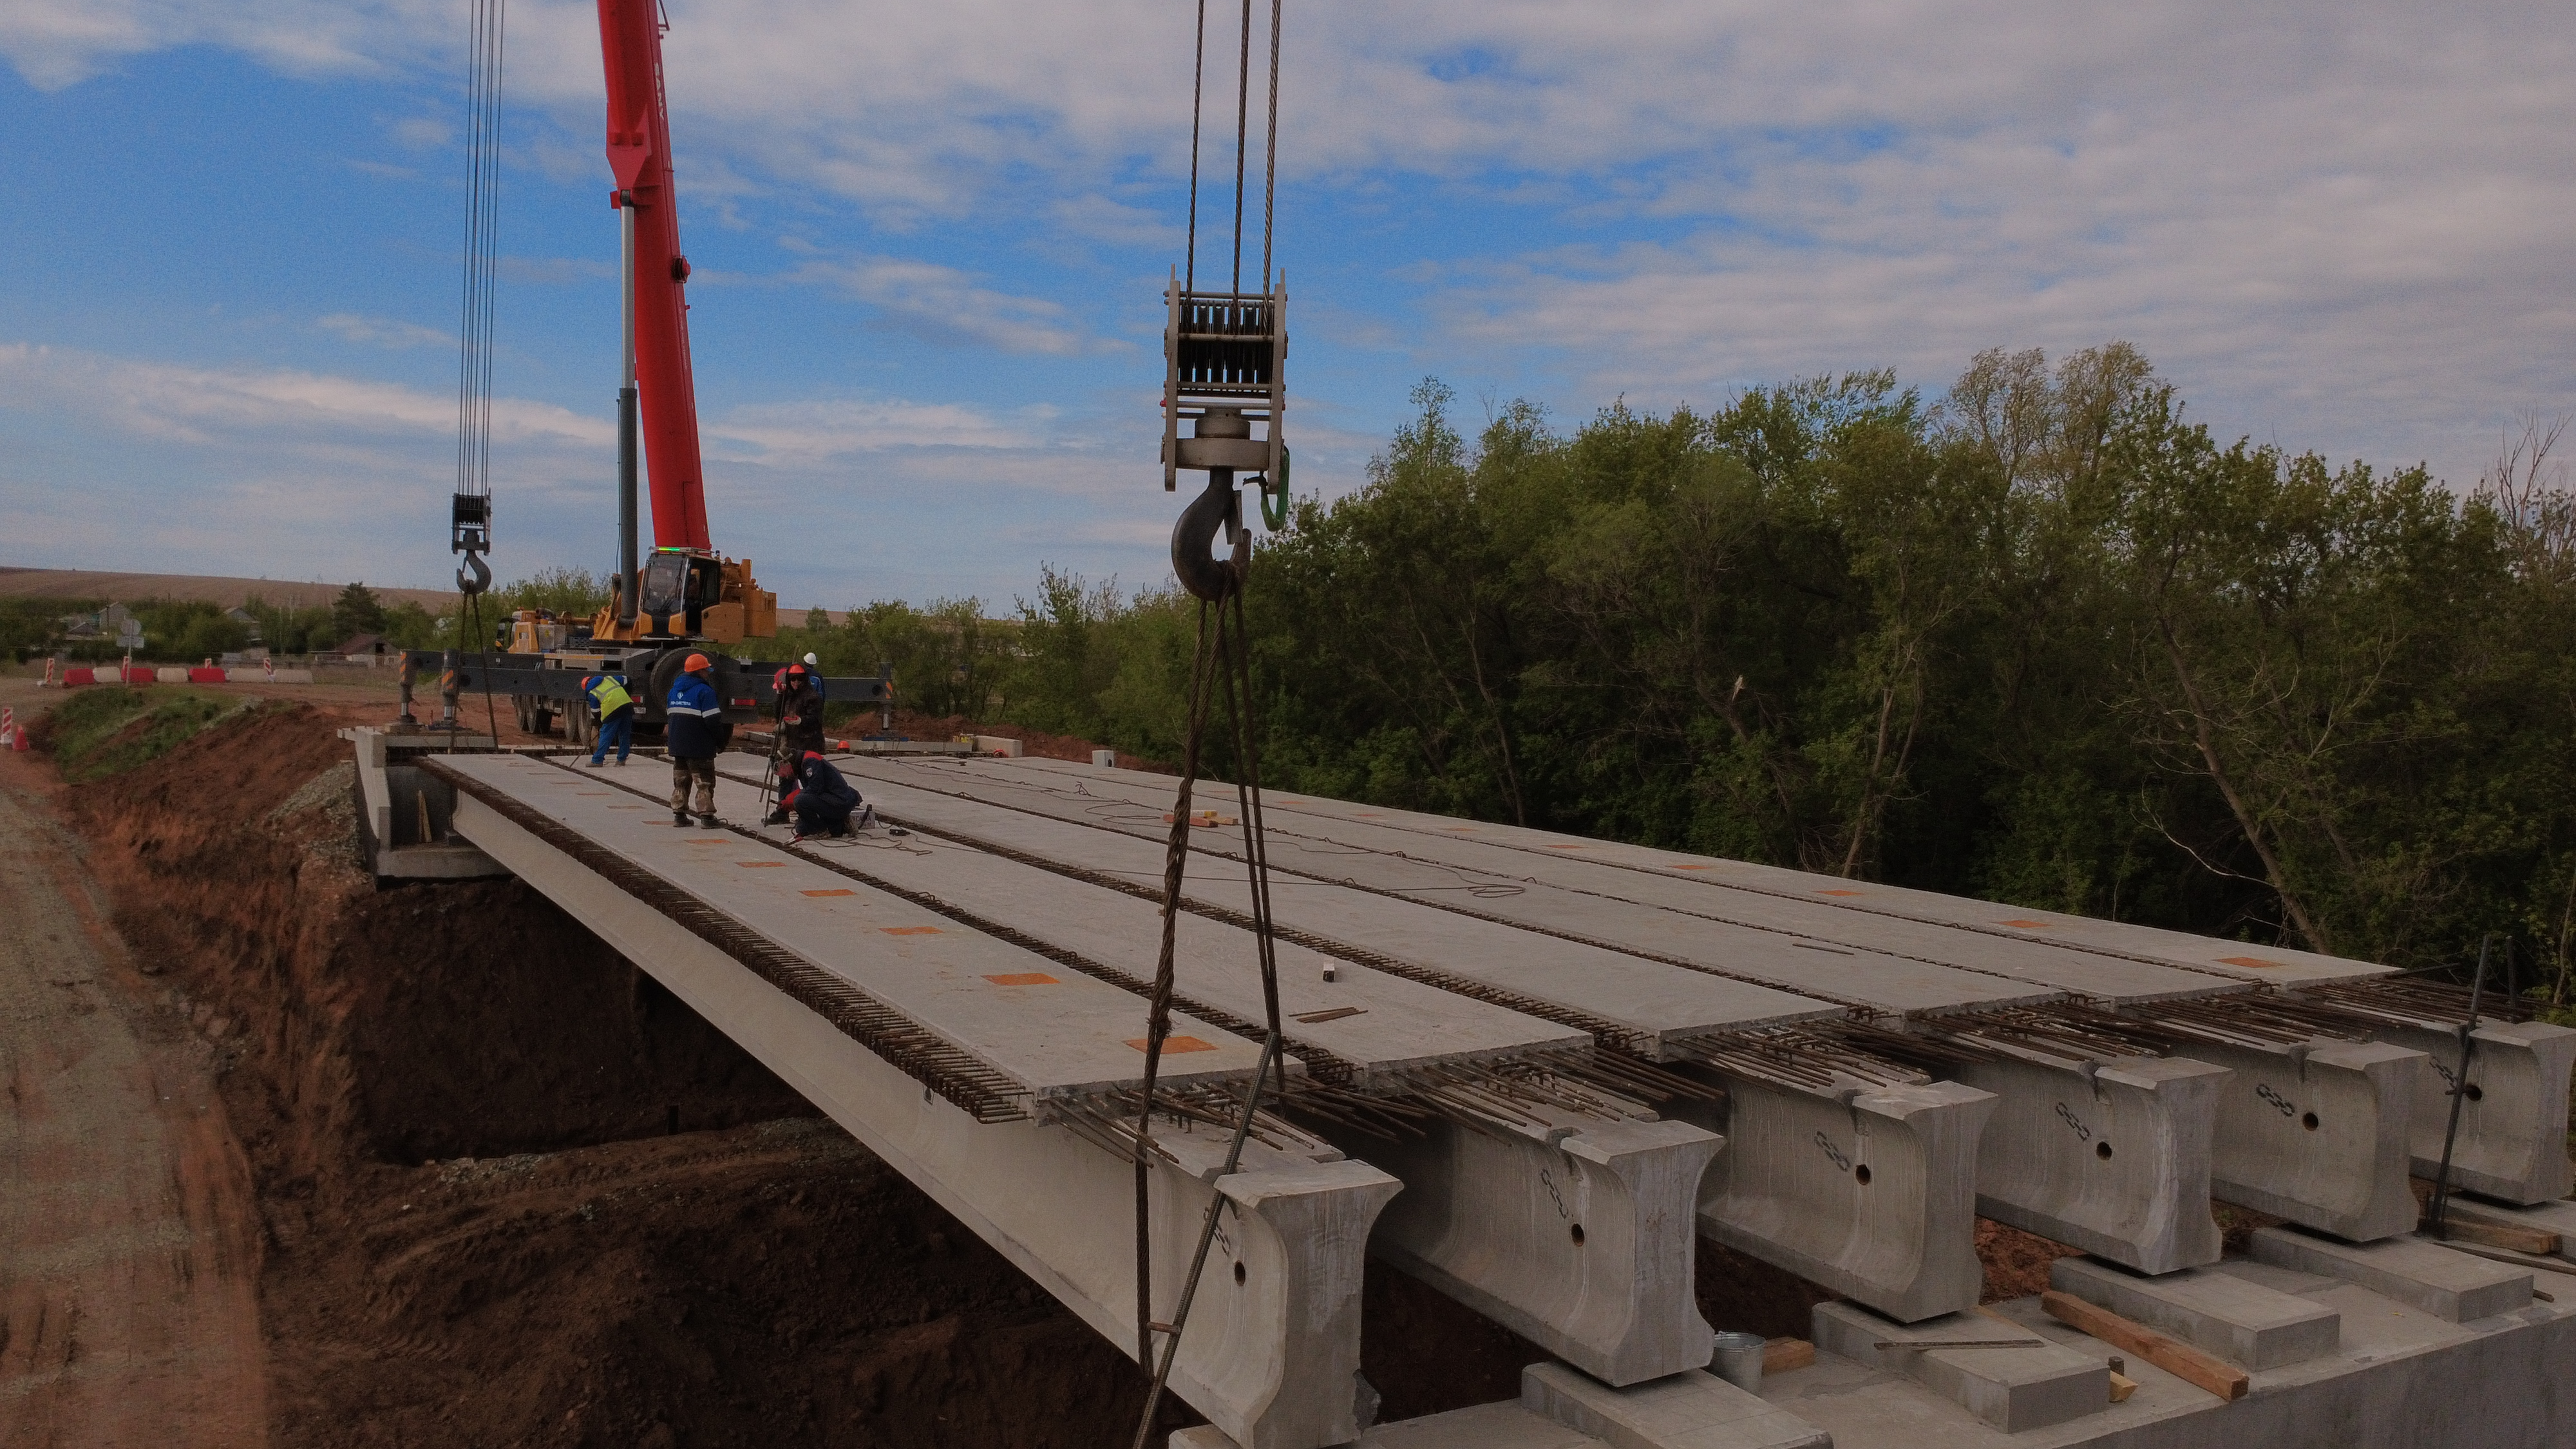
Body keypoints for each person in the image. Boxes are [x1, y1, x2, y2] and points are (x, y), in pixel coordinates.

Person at [665, 652, 728, 827]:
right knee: (704, 782)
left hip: (678, 746)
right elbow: (713, 721)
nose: (708, 673)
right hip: (700, 746)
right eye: (706, 670)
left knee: (681, 781)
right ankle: (707, 817)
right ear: (699, 671)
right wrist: (721, 741)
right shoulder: (705, 692)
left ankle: (679, 815)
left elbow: (671, 716)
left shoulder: (673, 691)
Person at [776, 750, 868, 840]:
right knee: (802, 829)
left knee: (799, 800)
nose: (785, 774)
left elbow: (815, 788)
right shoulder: (802, 765)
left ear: (787, 762)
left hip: (840, 801)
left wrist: (793, 798)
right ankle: (840, 824)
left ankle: (821, 831)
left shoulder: (810, 761)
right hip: (832, 799)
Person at [582, 669, 635, 767]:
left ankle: (597, 761)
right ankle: (621, 760)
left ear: (586, 687)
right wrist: (627, 694)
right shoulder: (609, 679)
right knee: (624, 734)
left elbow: (596, 712)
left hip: (612, 711)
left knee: (606, 735)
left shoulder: (592, 693)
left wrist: (600, 724)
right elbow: (628, 679)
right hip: (627, 706)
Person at [776, 661, 826, 759]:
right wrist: (780, 695)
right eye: (793, 679)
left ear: (805, 679)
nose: (796, 681)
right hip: (792, 743)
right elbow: (778, 714)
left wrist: (801, 721)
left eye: (800, 678)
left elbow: (816, 719)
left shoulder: (812, 697)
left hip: (810, 745)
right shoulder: (788, 696)